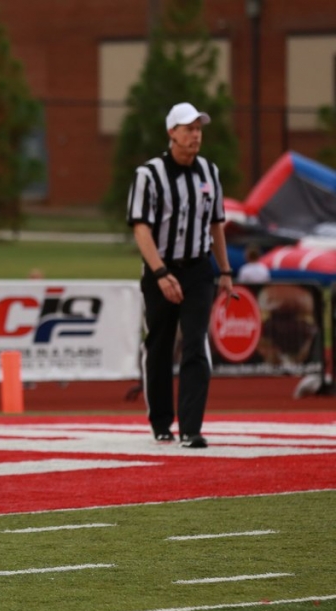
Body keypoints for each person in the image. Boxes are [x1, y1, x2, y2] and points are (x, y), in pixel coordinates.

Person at [126, 102, 234, 449]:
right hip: (161, 267)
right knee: (159, 345)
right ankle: (161, 422)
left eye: (199, 129)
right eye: (189, 129)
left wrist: (225, 270)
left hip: (198, 269)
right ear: (171, 132)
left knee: (195, 342)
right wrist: (160, 272)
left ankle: (191, 428)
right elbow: (140, 228)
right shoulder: (149, 174)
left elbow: (216, 224)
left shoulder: (209, 172)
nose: (195, 135)